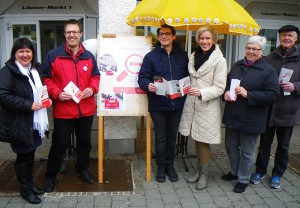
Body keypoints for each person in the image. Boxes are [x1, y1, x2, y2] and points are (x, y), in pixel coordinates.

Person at [42, 19, 100, 192]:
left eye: (75, 32)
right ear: (65, 34)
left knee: (84, 143)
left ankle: (82, 169)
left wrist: (92, 88)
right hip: (63, 110)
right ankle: (50, 176)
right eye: (69, 32)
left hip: (86, 109)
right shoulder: (53, 55)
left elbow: (95, 76)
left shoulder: (88, 56)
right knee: (59, 144)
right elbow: (46, 79)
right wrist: (57, 93)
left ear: (80, 34)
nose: (72, 35)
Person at [222, 36, 280, 193]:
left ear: (262, 51)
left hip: (252, 119)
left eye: (255, 49)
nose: (251, 51)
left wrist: (249, 94)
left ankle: (243, 179)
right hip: (233, 115)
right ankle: (234, 172)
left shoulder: (268, 70)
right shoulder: (237, 66)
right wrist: (225, 94)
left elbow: (273, 94)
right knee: (231, 147)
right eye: (249, 48)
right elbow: (227, 86)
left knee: (247, 152)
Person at [0, 38, 50, 204]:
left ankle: (30, 184)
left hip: (34, 120)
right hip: (19, 122)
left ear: (32, 53)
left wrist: (45, 99)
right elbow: (3, 96)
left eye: (28, 51)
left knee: (30, 153)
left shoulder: (35, 69)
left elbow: (39, 90)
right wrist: (29, 105)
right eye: (21, 51)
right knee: (23, 156)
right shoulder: (7, 71)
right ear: (15, 53)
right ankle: (24, 189)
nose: (25, 54)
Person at [250, 25, 300, 189]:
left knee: (283, 145)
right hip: (269, 109)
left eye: (290, 35)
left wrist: (295, 87)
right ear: (279, 37)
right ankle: (260, 170)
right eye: (284, 35)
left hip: (288, 109)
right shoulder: (271, 56)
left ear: (296, 38)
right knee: (265, 143)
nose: (287, 38)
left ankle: (277, 174)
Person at [138, 24, 189, 183]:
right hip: (158, 104)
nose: (164, 36)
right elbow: (142, 78)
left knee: (172, 136)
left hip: (177, 104)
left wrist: (186, 86)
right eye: (161, 34)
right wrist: (148, 85)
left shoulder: (183, 55)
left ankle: (170, 166)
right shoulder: (150, 56)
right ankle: (160, 167)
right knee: (160, 137)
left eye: (167, 34)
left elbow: (189, 76)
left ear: (174, 36)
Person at [178, 27, 227, 190]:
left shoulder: (220, 60)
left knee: (204, 141)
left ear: (214, 39)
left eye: (207, 38)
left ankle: (204, 175)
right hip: (192, 103)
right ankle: (199, 172)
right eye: (201, 38)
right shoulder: (194, 55)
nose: (204, 41)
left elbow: (220, 87)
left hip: (207, 105)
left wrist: (201, 92)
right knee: (197, 139)